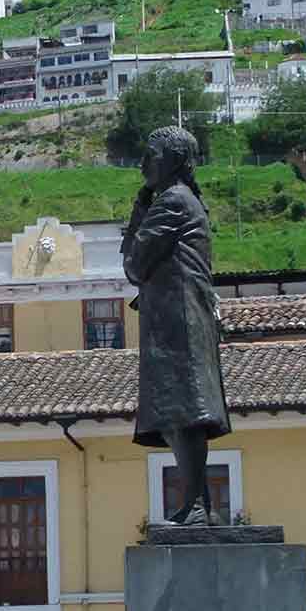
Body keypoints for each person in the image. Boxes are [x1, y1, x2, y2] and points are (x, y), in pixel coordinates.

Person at [122, 126, 229, 526]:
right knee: (175, 414)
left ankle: (199, 504)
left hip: (178, 320)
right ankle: (197, 501)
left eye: (151, 154)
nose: (143, 163)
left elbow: (134, 264)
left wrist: (139, 210)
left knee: (182, 412)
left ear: (172, 160)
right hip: (175, 318)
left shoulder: (172, 202)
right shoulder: (178, 201)